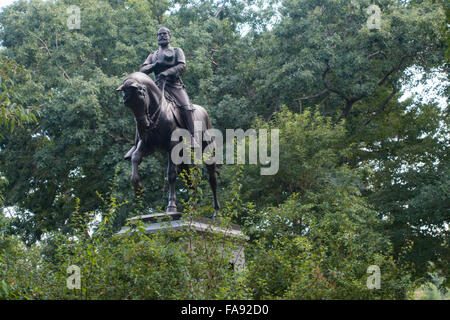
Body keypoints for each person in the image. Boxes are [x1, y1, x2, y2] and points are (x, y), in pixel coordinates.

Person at [124, 27, 197, 160]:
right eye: (159, 35)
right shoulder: (153, 54)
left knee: (187, 107)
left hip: (175, 86)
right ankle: (136, 145)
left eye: (164, 34)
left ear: (169, 36)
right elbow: (142, 69)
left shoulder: (176, 51)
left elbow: (182, 66)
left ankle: (193, 137)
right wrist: (154, 65)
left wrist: (166, 73)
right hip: (156, 88)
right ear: (157, 38)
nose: (162, 37)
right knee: (141, 112)